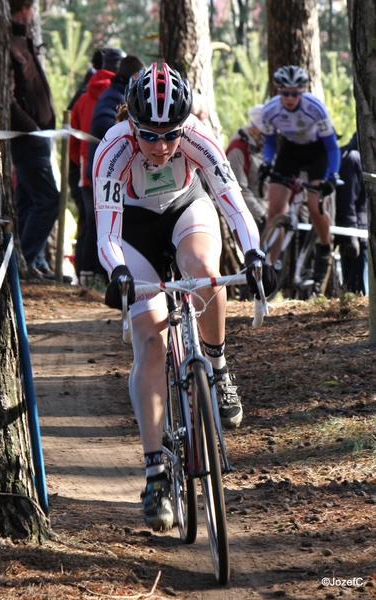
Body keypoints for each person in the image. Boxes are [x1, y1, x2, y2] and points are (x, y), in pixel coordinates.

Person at [92, 63, 277, 532]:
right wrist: (116, 272)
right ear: (131, 124)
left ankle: (216, 364)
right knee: (149, 340)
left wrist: (255, 254)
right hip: (132, 232)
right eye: (149, 135)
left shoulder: (196, 137)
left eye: (170, 133)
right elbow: (107, 232)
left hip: (184, 209)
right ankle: (156, 469)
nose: (161, 146)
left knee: (207, 275)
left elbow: (232, 201)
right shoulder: (113, 149)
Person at [259, 65, 341, 295]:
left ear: (303, 92)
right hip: (291, 152)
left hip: (318, 152)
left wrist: (332, 175)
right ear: (278, 91)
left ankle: (324, 248)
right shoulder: (270, 111)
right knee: (275, 208)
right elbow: (269, 143)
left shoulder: (315, 108)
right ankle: (271, 269)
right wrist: (267, 162)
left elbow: (332, 147)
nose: (290, 98)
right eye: (285, 93)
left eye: (295, 93)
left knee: (315, 207)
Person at [9, 0, 59, 278]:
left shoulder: (23, 39)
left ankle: (28, 260)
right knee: (49, 200)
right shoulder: (9, 43)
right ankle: (25, 261)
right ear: (24, 8)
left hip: (39, 135)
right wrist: (31, 129)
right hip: (29, 138)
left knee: (28, 202)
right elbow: (9, 98)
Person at [69, 59, 117, 289]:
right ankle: (100, 273)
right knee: (106, 224)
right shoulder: (116, 96)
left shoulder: (81, 98)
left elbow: (72, 140)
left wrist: (79, 164)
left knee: (88, 224)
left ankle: (85, 273)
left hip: (85, 172)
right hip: (110, 172)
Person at [85, 55, 145, 185]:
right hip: (105, 171)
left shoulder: (119, 94)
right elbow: (101, 123)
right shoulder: (113, 96)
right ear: (136, 76)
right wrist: (132, 134)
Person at [226, 104, 268, 233]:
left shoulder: (260, 147)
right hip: (252, 216)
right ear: (254, 129)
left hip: (268, 210)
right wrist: (261, 215)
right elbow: (239, 189)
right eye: (264, 133)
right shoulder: (238, 149)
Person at [335, 133, 368, 294]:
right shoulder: (353, 158)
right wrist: (351, 236)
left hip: (363, 232)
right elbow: (347, 200)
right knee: (359, 291)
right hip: (358, 235)